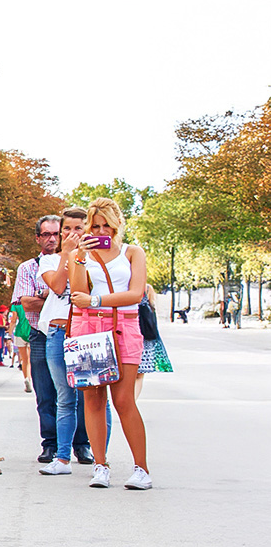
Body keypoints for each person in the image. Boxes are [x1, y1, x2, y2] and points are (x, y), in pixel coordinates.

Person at [67, 198, 153, 489]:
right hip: (89, 328)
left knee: (124, 399)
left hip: (124, 326)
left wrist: (97, 300)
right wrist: (79, 256)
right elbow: (78, 293)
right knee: (92, 398)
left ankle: (141, 468)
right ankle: (100, 466)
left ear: (117, 225)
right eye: (95, 225)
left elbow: (136, 293)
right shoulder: (81, 256)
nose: (102, 231)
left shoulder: (132, 253)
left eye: (107, 225)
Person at [37, 207, 106, 475]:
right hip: (58, 331)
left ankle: (97, 455)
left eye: (78, 228)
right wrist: (67, 254)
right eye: (67, 228)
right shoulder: (50, 260)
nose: (72, 233)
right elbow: (56, 286)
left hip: (88, 332)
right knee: (64, 397)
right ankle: (62, 457)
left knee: (96, 396)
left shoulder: (99, 260)